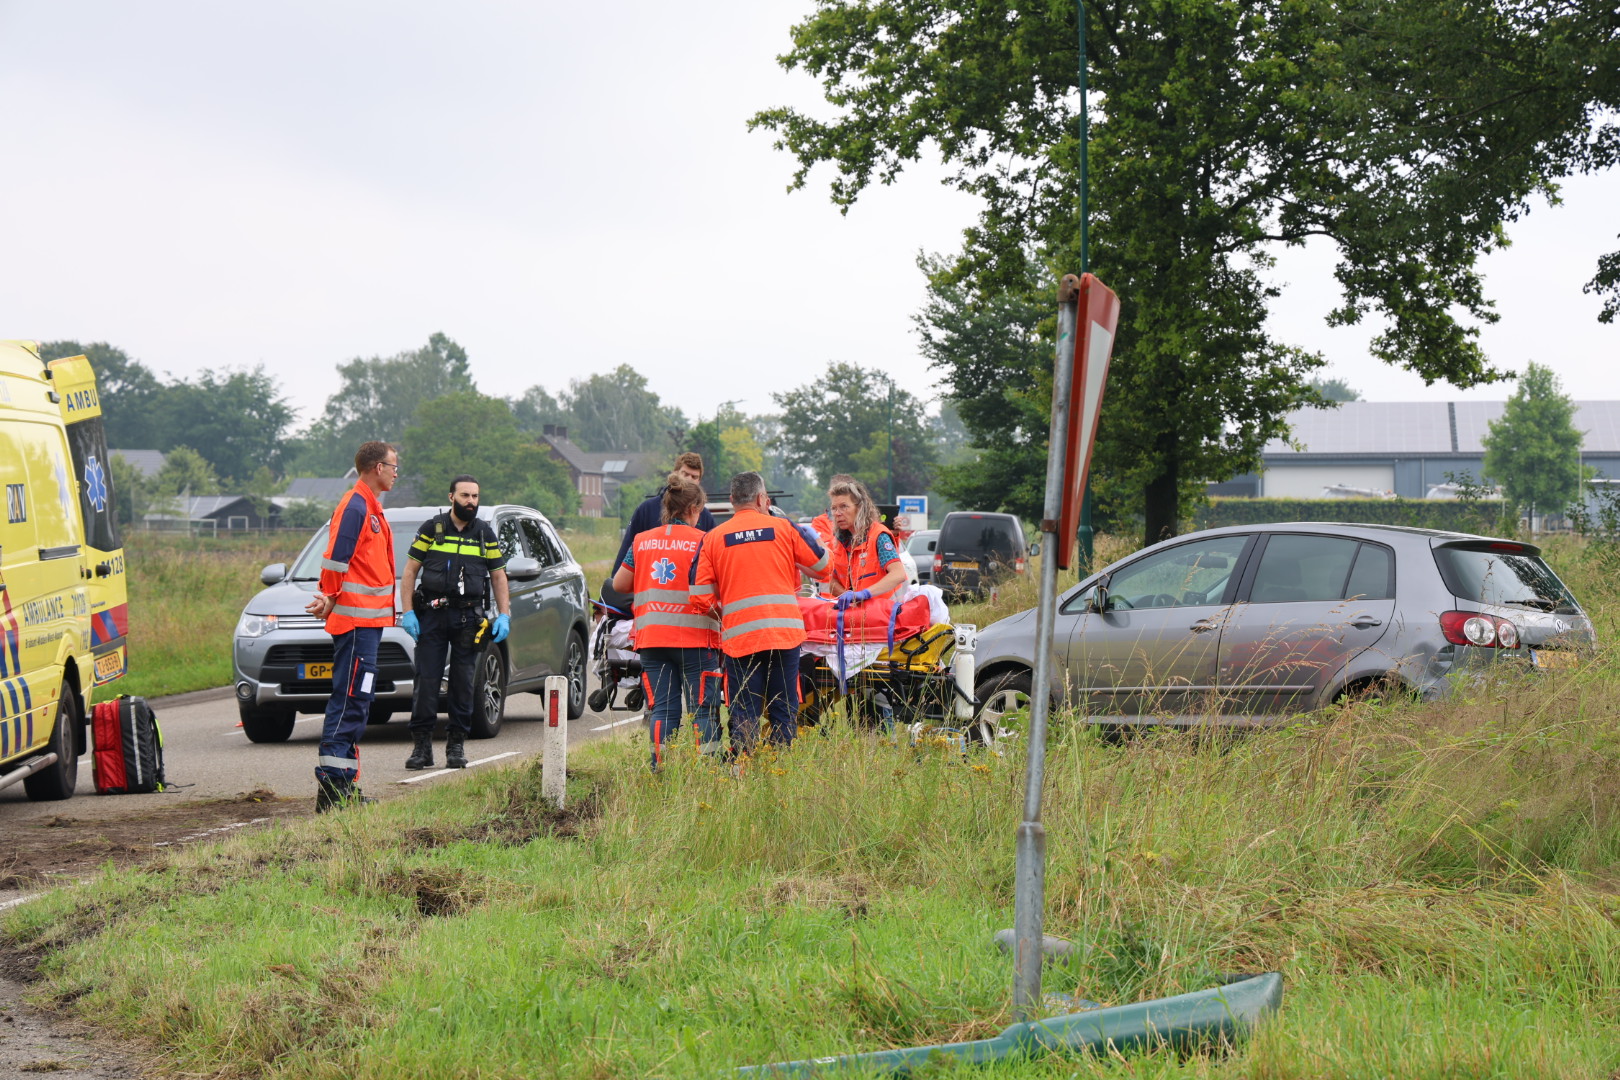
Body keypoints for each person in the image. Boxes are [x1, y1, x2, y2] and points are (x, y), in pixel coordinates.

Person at [691, 471, 830, 755]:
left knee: (744, 708)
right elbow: (824, 567)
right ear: (761, 498)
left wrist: (726, 616)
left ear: (732, 501)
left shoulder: (714, 538)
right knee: (783, 704)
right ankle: (779, 769)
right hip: (784, 635)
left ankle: (745, 767)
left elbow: (699, 597)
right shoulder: (784, 529)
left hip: (740, 638)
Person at [306, 441, 398, 812]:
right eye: (393, 466)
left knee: (359, 701)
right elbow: (336, 558)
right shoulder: (356, 505)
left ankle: (343, 785)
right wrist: (328, 595)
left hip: (368, 624)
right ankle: (333, 790)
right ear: (377, 467)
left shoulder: (370, 507)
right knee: (350, 701)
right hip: (357, 624)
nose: (395, 471)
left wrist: (330, 596)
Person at [399, 475, 511, 771]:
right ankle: (422, 747)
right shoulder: (431, 529)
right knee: (427, 681)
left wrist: (504, 614)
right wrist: (407, 611)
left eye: (475, 496)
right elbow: (409, 572)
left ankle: (456, 745)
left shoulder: (484, 533)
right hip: (433, 617)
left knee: (463, 684)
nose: (471, 502)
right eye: (465, 496)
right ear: (452, 497)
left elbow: (499, 576)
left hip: (468, 619)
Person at [610, 474, 722, 766]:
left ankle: (660, 767)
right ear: (694, 508)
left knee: (662, 709)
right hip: (696, 640)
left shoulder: (642, 541)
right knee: (703, 710)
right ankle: (709, 772)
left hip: (652, 640)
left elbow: (620, 584)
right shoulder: (705, 541)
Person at [612, 452, 718, 576]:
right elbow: (626, 552)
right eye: (685, 474)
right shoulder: (647, 509)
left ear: (699, 481)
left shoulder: (705, 517)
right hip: (648, 584)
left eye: (694, 477)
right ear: (676, 474)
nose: (689, 480)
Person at [825, 478, 908, 611]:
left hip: (888, 616)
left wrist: (864, 594)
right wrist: (847, 596)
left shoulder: (878, 536)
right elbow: (832, 582)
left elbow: (898, 574)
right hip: (860, 617)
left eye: (844, 506)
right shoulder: (839, 542)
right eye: (833, 508)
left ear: (860, 508)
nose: (837, 513)